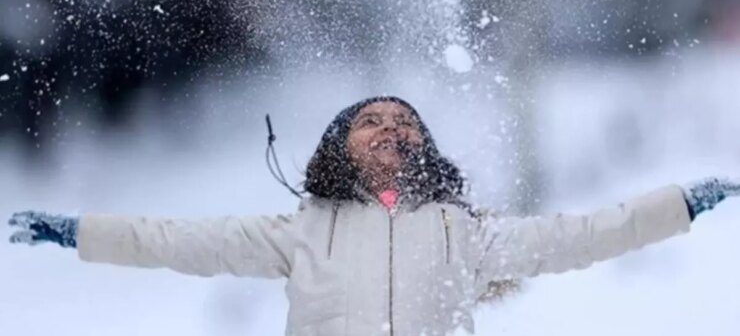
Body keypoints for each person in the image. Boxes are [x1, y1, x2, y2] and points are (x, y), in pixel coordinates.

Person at [7, 95, 740, 336]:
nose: (393, 127)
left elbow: (580, 235)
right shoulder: (299, 231)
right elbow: (178, 239)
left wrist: (677, 204)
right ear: (340, 148)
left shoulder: (465, 232)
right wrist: (79, 232)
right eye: (371, 121)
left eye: (406, 121)